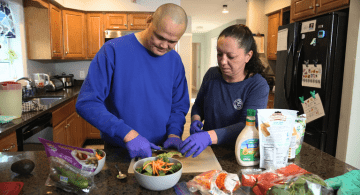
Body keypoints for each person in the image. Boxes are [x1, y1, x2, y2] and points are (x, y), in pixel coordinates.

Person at [76, 3, 190, 159]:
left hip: (161, 150)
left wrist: (174, 134)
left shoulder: (175, 60)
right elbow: (87, 103)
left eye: (172, 41)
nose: (164, 45)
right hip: (120, 149)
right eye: (159, 37)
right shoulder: (112, 50)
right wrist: (127, 134)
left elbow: (178, 106)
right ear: (149, 21)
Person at [180, 24, 269, 158]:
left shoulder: (258, 85)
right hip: (209, 150)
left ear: (248, 56)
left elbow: (247, 125)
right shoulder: (212, 74)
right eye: (219, 54)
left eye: (231, 56)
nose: (222, 61)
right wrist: (195, 120)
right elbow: (199, 105)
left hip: (239, 153)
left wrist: (208, 137)